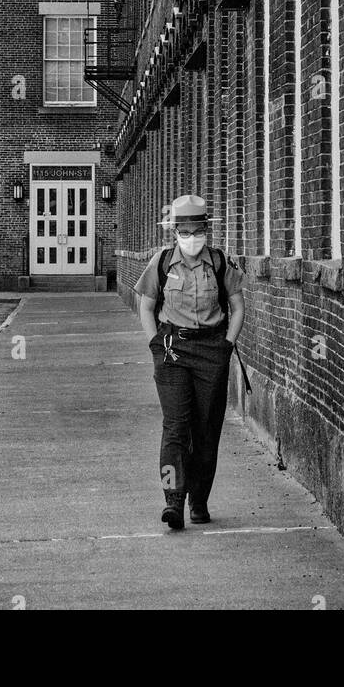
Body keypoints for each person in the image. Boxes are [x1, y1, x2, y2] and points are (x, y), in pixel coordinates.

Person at [134, 193, 245, 530]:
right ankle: (173, 501)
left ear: (206, 231)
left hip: (212, 350)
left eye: (198, 232)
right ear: (176, 232)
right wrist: (156, 343)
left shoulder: (221, 263)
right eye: (186, 232)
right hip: (173, 351)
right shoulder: (163, 262)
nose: (193, 239)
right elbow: (146, 304)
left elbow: (238, 307)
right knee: (175, 428)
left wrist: (226, 346)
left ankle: (199, 500)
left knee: (207, 430)